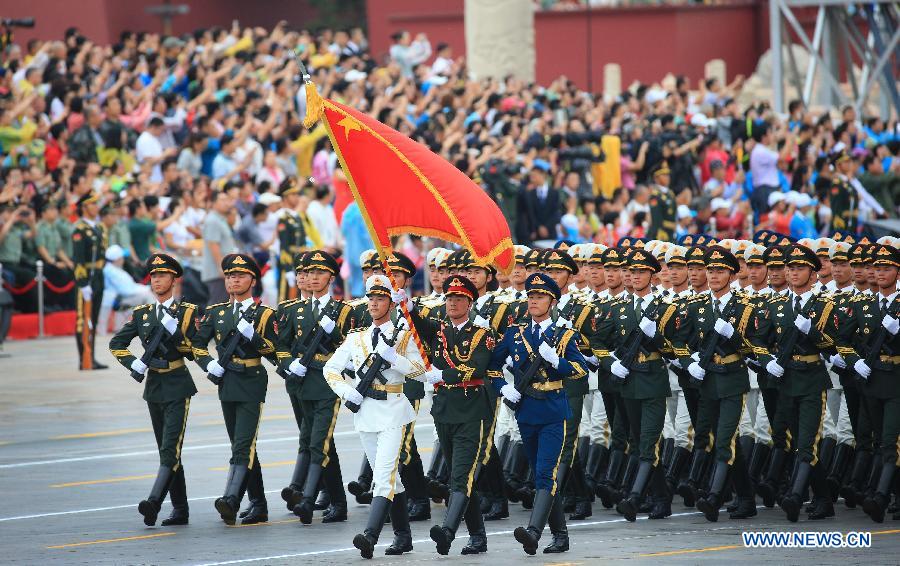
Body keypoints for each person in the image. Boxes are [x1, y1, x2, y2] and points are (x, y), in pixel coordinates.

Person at [323, 274, 427, 559]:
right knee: (391, 478)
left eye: (380, 299)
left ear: (390, 304)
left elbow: (422, 372)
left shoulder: (404, 335)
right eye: (371, 298)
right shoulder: (356, 338)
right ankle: (403, 537)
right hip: (366, 411)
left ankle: (370, 535)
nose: (373, 303)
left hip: (393, 409)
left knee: (382, 476)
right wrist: (347, 391)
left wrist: (396, 359)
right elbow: (330, 369)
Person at [489, 273, 587, 555]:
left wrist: (558, 361)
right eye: (531, 296)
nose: (533, 301)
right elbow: (493, 366)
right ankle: (560, 536)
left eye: (540, 297)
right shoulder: (515, 333)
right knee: (544, 476)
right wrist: (503, 388)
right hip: (526, 411)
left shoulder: (564, 335)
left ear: (552, 301)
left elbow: (581, 370)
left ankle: (533, 531)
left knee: (545, 473)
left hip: (554, 411)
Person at [108, 254, 200, 526]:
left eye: (162, 276)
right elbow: (116, 344)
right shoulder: (142, 314)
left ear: (174, 279)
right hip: (154, 386)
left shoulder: (186, 313)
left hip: (177, 383)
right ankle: (180, 510)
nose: (157, 280)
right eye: (153, 276)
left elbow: (195, 352)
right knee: (167, 451)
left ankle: (154, 502)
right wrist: (133, 362)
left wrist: (178, 335)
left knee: (170, 448)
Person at [406, 275, 495, 555]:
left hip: (471, 410)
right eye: (449, 298)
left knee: (460, 476)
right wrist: (406, 305)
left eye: (459, 299)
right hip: (445, 410)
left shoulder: (482, 334)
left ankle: (447, 531)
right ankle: (478, 537)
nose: (453, 303)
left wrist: (442, 374)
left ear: (470, 302)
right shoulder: (441, 330)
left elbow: (476, 368)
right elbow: (420, 323)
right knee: (464, 478)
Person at [669, 245, 757, 521]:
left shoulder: (742, 305)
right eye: (711, 270)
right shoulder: (697, 306)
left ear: (731, 274)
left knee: (725, 439)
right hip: (706, 380)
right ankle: (745, 498)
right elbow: (680, 340)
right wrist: (690, 361)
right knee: (715, 438)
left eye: (720, 271)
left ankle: (714, 496)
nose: (714, 275)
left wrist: (734, 337)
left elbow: (755, 347)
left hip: (732, 378)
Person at [751, 244, 838, 522]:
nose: (793, 272)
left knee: (807, 441)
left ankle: (796, 496)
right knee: (791, 439)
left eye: (800, 268)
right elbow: (758, 342)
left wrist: (810, 331)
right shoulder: (774, 305)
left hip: (811, 377)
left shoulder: (824, 303)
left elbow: (832, 344)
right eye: (790, 268)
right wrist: (768, 362)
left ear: (813, 274)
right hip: (784, 379)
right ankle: (823, 498)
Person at [191, 254, 278, 525]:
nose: (233, 280)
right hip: (227, 381)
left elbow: (276, 353)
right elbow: (196, 345)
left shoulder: (263, 314)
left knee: (242, 444)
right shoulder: (217, 313)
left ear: (252, 280)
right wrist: (208, 364)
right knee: (243, 444)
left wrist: (255, 337)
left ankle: (231, 499)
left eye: (239, 276)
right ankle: (259, 504)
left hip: (251, 380)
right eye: (229, 276)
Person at [276, 250, 354, 525]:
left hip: (326, 383)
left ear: (331, 277)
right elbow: (281, 345)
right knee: (317, 441)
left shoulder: (342, 310)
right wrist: (289, 364)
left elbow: (352, 346)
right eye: (309, 273)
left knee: (319, 441)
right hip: (301, 382)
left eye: (320, 272)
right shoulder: (296, 310)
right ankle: (338, 502)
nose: (313, 277)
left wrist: (333, 333)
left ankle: (308, 498)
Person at [837, 243, 900, 523]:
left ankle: (881, 496)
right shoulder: (863, 305)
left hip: (897, 379)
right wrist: (854, 361)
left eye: (888, 268)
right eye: (878, 268)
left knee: (890, 440)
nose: (882, 273)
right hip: (871, 378)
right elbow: (843, 339)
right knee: (877, 439)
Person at [72, 191, 107, 370]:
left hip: (99, 276)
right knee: (83, 319)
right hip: (86, 277)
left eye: (96, 203)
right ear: (84, 207)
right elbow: (77, 260)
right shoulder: (79, 229)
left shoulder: (99, 227)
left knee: (93, 317)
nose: (96, 207)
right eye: (92, 204)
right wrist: (83, 283)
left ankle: (91, 357)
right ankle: (83, 358)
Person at [201, 191, 238, 306]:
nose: (226, 203)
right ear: (213, 203)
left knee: (224, 305)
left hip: (223, 270)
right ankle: (208, 324)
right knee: (217, 306)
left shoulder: (221, 219)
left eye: (227, 200)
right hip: (217, 272)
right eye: (222, 200)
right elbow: (213, 244)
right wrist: (221, 267)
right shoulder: (213, 220)